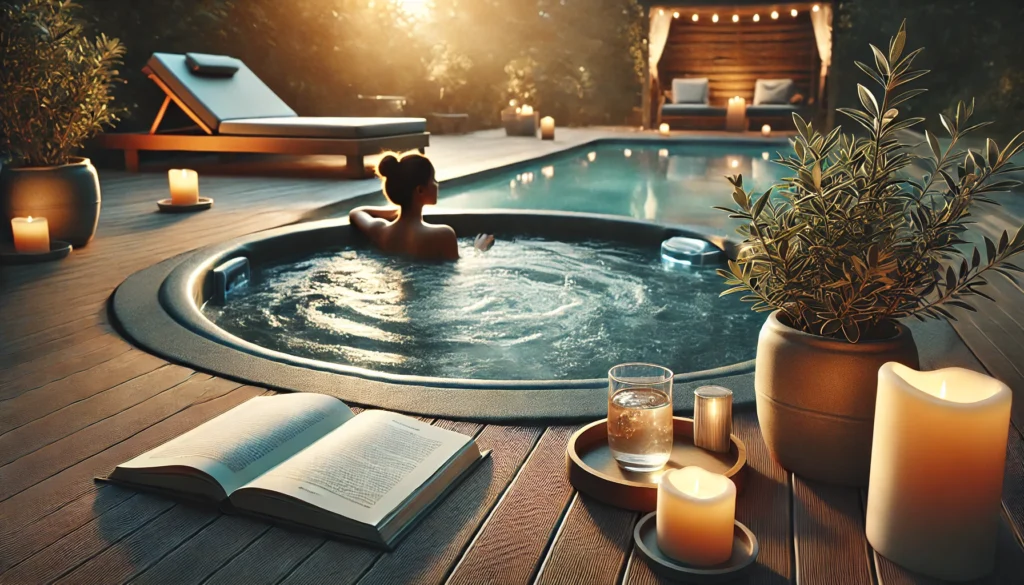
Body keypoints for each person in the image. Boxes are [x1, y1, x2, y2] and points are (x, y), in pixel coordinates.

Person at [348, 151, 494, 260]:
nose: (437, 184)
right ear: (420, 190)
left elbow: (356, 212)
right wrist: (478, 251)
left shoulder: (380, 230)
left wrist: (399, 210)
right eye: (433, 180)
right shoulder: (443, 235)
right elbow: (460, 272)